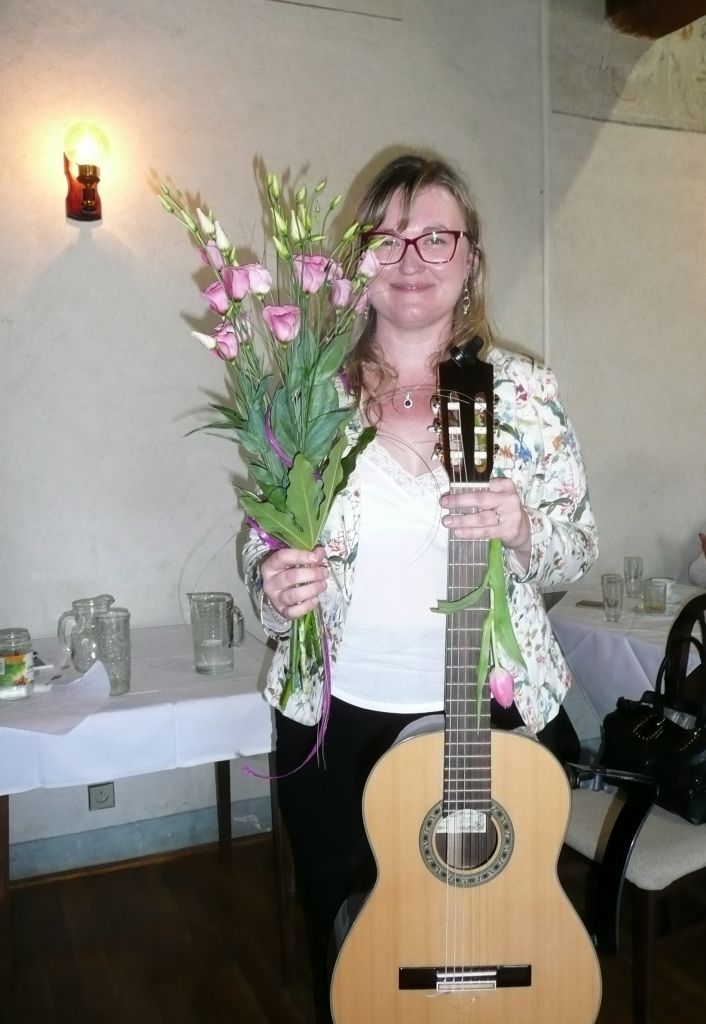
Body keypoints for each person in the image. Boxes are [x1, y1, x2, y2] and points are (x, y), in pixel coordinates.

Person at [242, 153, 598, 1023]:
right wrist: (273, 585)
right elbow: (260, 550)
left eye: (437, 237)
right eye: (388, 238)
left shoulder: (522, 391)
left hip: (491, 715)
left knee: (497, 928)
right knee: (353, 946)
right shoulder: (306, 392)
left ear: (470, 260)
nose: (412, 259)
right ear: (357, 260)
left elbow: (576, 550)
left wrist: (524, 528)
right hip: (336, 720)